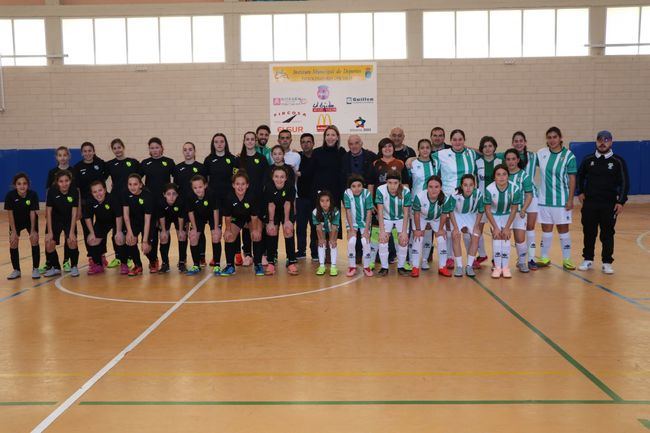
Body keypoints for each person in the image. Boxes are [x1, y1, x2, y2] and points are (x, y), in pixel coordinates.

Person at [576, 130, 629, 274]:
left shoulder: (618, 161)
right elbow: (580, 176)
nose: (602, 143)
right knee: (589, 232)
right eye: (600, 140)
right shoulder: (588, 159)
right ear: (596, 142)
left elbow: (625, 182)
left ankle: (607, 262)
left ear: (611, 142)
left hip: (609, 204)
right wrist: (580, 192)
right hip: (590, 204)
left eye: (606, 140)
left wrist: (621, 201)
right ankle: (588, 259)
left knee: (607, 233)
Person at [434, 129, 480, 271]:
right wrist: (411, 160)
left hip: (468, 196)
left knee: (467, 229)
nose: (457, 142)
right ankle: (450, 257)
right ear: (450, 141)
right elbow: (423, 156)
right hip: (449, 195)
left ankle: (470, 258)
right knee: (450, 229)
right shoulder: (441, 154)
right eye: (454, 139)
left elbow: (486, 153)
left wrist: (469, 148)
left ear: (464, 141)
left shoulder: (471, 153)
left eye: (460, 139)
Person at [536, 127, 577, 270]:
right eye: (549, 137)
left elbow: (572, 179)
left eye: (554, 137)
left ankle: (567, 259)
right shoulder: (541, 153)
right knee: (546, 230)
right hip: (544, 200)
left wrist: (571, 199)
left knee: (563, 230)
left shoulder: (569, 156)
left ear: (560, 138)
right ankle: (544, 257)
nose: (552, 140)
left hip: (561, 201)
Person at [140, 137, 175, 273]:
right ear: (149, 150)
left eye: (157, 147)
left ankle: (165, 261)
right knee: (152, 234)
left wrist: (172, 195)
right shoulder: (145, 163)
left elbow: (176, 179)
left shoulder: (169, 162)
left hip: (164, 204)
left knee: (164, 233)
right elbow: (136, 179)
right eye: (152, 148)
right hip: (150, 204)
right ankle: (153, 260)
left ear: (162, 148)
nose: (155, 150)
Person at [106, 138, 141, 269]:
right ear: (112, 150)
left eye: (119, 147)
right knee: (117, 230)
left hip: (130, 200)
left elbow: (140, 176)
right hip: (116, 200)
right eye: (114, 148)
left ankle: (130, 257)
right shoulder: (109, 164)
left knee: (129, 228)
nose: (117, 150)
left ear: (123, 147)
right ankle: (118, 257)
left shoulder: (132, 162)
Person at [204, 133, 237, 267]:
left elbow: (236, 178)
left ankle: (236, 255)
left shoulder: (233, 159)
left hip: (230, 199)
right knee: (215, 229)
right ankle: (215, 257)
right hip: (214, 200)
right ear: (213, 144)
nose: (219, 144)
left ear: (225, 143)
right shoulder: (208, 160)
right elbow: (205, 180)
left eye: (222, 141)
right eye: (216, 142)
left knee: (232, 227)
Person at [221, 172, 264, 276]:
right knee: (229, 236)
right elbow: (228, 217)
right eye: (237, 184)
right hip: (237, 218)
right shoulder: (229, 197)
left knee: (256, 235)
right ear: (233, 185)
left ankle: (258, 264)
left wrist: (254, 230)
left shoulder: (252, 196)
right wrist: (227, 230)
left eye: (243, 184)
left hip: (250, 217)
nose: (240, 187)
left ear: (247, 185)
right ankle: (230, 266)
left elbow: (254, 216)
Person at [410, 175, 452, 278]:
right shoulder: (419, 196)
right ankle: (415, 267)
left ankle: (442, 267)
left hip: (437, 219)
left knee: (442, 239)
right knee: (418, 239)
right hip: (421, 217)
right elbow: (416, 213)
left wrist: (441, 229)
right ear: (426, 187)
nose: (433, 189)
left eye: (436, 187)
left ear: (441, 188)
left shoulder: (445, 199)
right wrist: (418, 229)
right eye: (430, 187)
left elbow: (443, 215)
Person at [484, 164, 522, 279]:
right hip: (494, 216)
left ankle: (505, 267)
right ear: (494, 177)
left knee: (505, 237)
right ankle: (497, 267)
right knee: (497, 237)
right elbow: (487, 209)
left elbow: (514, 209)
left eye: (504, 174)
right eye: (498, 174)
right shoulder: (489, 189)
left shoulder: (514, 188)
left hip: (507, 215)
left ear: (508, 176)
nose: (501, 177)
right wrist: (495, 227)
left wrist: (507, 227)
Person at [238, 131, 270, 266]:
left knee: (259, 226)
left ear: (255, 141)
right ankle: (247, 254)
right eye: (247, 139)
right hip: (243, 199)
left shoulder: (262, 159)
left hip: (258, 199)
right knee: (245, 226)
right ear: (244, 141)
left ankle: (262, 254)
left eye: (252, 139)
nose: (250, 141)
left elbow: (266, 179)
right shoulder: (239, 159)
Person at [44, 146, 76, 273]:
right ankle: (51, 264)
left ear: (69, 156)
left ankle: (67, 261)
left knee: (70, 238)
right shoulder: (52, 172)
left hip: (69, 211)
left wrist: (78, 210)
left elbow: (76, 191)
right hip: (55, 212)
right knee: (49, 239)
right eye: (60, 155)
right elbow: (48, 192)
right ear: (56, 157)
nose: (62, 157)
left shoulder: (73, 171)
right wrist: (47, 211)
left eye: (65, 155)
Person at [511, 131, 540, 271]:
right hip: (516, 198)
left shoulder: (534, 156)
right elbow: (486, 153)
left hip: (531, 195)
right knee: (519, 228)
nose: (518, 143)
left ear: (525, 142)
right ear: (512, 143)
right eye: (516, 141)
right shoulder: (509, 155)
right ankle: (521, 257)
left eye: (521, 140)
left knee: (530, 227)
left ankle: (532, 258)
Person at [82, 180, 123, 275]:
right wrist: (92, 233)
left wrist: (119, 231)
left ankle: (123, 262)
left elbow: (119, 216)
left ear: (105, 190)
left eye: (100, 190)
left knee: (119, 239)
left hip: (115, 221)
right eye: (94, 192)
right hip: (102, 222)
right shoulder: (90, 201)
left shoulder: (113, 199)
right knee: (92, 240)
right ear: (92, 193)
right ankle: (99, 264)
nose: (98, 194)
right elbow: (87, 218)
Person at [375, 171, 412, 277]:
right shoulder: (380, 190)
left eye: (395, 183)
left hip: (401, 218)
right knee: (382, 241)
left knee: (403, 241)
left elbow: (406, 213)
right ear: (386, 182)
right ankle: (384, 267)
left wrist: (404, 232)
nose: (392, 186)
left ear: (399, 182)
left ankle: (401, 266)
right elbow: (380, 211)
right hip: (386, 218)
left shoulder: (406, 191)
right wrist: (382, 231)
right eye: (390, 182)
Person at [5, 173, 41, 280]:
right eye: (19, 184)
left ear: (28, 185)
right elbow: (10, 214)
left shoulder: (33, 195)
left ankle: (35, 268)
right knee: (13, 242)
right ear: (15, 185)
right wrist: (14, 232)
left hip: (30, 220)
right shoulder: (10, 196)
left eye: (24, 183)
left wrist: (33, 230)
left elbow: (32, 213)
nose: (22, 186)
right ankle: (16, 270)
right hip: (16, 221)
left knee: (34, 239)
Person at [264, 166, 298, 276]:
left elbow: (288, 204)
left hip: (286, 210)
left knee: (288, 230)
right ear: (272, 178)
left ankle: (291, 261)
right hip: (273, 211)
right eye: (276, 177)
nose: (279, 179)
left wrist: (287, 221)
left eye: (282, 177)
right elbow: (271, 204)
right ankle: (271, 262)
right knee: (272, 230)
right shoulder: (269, 187)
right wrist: (270, 221)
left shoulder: (290, 187)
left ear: (286, 178)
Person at [504, 149, 534, 273]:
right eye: (508, 159)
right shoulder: (502, 174)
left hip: (518, 212)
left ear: (517, 160)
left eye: (513, 159)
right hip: (504, 212)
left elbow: (529, 195)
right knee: (502, 239)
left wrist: (524, 209)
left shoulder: (524, 176)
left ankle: (522, 262)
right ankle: (501, 264)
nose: (511, 162)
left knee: (520, 239)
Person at [448, 174, 484, 277]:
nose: (468, 188)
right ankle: (459, 266)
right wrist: (455, 227)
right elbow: (450, 211)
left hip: (471, 215)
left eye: (471, 185)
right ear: (461, 185)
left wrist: (476, 226)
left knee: (476, 236)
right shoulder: (455, 194)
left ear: (475, 185)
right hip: (457, 215)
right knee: (455, 236)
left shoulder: (478, 194)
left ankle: (469, 265)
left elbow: (481, 211)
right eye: (465, 185)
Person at [185, 175, 220, 276]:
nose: (198, 190)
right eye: (195, 188)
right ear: (192, 188)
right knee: (193, 237)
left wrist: (216, 227)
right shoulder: (190, 196)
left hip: (212, 215)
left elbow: (215, 211)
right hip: (198, 217)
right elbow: (190, 213)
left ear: (205, 185)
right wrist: (194, 229)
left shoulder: (211, 194)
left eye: (200, 187)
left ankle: (217, 265)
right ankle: (196, 265)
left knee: (216, 236)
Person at [121, 173, 155, 277]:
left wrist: (145, 241)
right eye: (130, 184)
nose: (132, 187)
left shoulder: (147, 196)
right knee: (130, 240)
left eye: (135, 184)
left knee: (146, 247)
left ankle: (153, 261)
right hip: (133, 221)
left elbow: (147, 220)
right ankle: (137, 265)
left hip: (147, 221)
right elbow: (126, 215)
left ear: (140, 185)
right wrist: (130, 232)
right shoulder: (125, 194)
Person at [475, 136, 502, 264]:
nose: (487, 149)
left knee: (494, 230)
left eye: (490, 146)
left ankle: (496, 258)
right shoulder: (477, 162)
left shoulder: (500, 162)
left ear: (495, 147)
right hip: (481, 201)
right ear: (481, 149)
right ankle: (482, 254)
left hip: (496, 203)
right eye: (485, 146)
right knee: (477, 229)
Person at [343, 174, 374, 277]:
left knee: (365, 242)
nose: (356, 188)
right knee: (352, 242)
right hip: (352, 222)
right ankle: (352, 266)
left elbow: (369, 211)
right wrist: (351, 229)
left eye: (359, 185)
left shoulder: (367, 193)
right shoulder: (347, 193)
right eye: (353, 186)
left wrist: (366, 230)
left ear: (363, 186)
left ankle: (367, 266)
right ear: (350, 187)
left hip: (365, 222)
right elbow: (347, 211)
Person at [310, 126, 347, 209]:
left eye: (333, 135)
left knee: (335, 220)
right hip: (319, 192)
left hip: (335, 192)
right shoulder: (316, 152)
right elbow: (311, 172)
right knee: (319, 220)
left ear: (337, 137)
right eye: (327, 135)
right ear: (324, 137)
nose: (330, 137)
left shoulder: (341, 152)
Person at [296, 133, 317, 261]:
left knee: (315, 226)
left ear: (313, 143)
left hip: (315, 198)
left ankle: (315, 252)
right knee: (301, 227)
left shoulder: (318, 157)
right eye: (303, 142)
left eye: (308, 141)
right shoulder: (298, 157)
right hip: (301, 198)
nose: (306, 144)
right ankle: (301, 250)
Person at [158, 183, 187, 274]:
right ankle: (165, 263)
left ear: (177, 195)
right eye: (168, 194)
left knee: (182, 236)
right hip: (165, 218)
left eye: (174, 194)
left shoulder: (181, 202)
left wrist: (181, 230)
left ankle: (182, 262)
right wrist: (163, 231)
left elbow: (181, 218)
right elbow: (161, 217)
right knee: (163, 237)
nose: (171, 197)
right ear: (164, 195)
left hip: (178, 218)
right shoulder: (161, 202)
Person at [312, 190, 340, 276]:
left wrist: (332, 239)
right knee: (321, 243)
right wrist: (321, 239)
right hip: (322, 228)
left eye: (327, 200)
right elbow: (318, 227)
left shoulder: (335, 211)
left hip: (332, 228)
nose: (325, 203)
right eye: (322, 201)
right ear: (319, 202)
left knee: (333, 244)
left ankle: (333, 266)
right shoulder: (315, 212)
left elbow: (334, 227)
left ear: (330, 201)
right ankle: (321, 266)